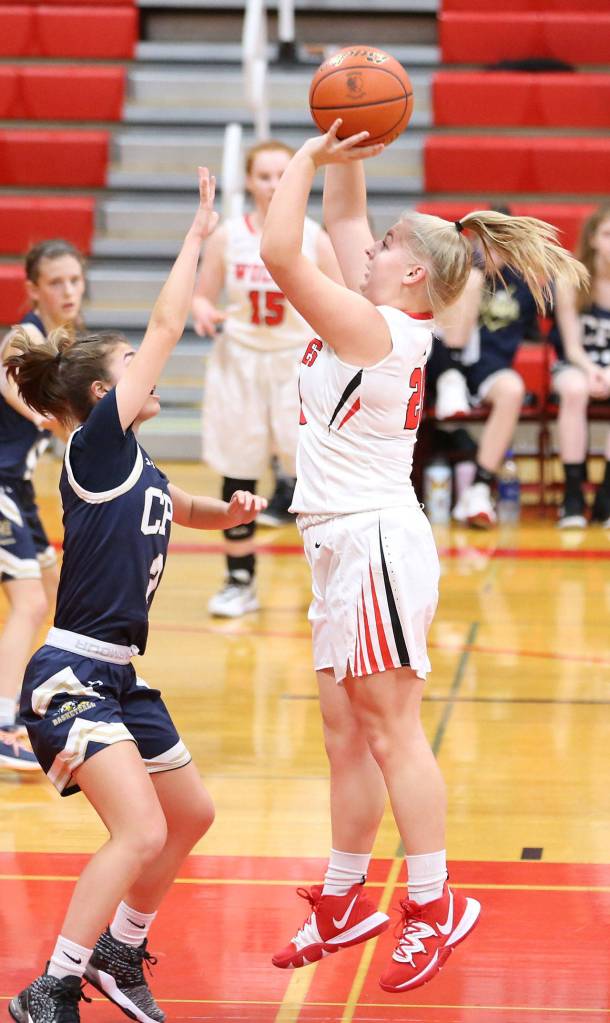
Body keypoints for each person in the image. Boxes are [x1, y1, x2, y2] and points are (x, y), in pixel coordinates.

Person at [259, 121, 587, 992]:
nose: (366, 246)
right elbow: (342, 217)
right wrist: (351, 144)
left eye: (386, 243)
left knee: (394, 734)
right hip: (337, 543)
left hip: (372, 541)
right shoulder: (383, 307)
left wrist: (302, 156)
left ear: (408, 270)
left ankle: (438, 903)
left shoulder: (373, 326)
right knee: (345, 738)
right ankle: (343, 898)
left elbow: (282, 250)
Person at [5, 169, 266, 1023]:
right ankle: (53, 984)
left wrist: (220, 511)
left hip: (120, 674)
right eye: (127, 371)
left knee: (191, 812)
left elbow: (174, 505)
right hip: (71, 671)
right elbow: (162, 323)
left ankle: (120, 947)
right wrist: (196, 236)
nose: (147, 372)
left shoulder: (134, 464)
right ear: (98, 396)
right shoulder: (99, 442)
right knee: (142, 831)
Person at [192, 139, 341, 617]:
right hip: (240, 362)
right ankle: (240, 581)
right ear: (249, 182)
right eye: (264, 176)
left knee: (314, 478)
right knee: (238, 470)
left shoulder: (315, 236)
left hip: (297, 365)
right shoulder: (228, 236)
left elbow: (342, 304)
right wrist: (203, 310)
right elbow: (202, 294)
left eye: (283, 174)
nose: (274, 184)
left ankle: (333, 580)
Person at [0, 239, 86, 771]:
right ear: (34, 289)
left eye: (75, 280)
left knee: (60, 597)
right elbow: (11, 375)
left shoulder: (63, 340)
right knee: (29, 603)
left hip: (20, 489)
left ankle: (56, 704)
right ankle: (4, 722)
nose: (69, 291)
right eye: (57, 282)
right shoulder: (24, 337)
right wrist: (43, 412)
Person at [446, 248, 542, 528]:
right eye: (485, 241)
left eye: (501, 243)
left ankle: (480, 487)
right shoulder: (457, 275)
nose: (491, 251)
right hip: (443, 364)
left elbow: (536, 335)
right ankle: (450, 377)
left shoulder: (524, 287)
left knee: (513, 389)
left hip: (490, 369)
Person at [551, 204, 610, 528]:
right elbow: (572, 347)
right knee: (574, 390)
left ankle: (606, 497)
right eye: (607, 234)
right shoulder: (571, 280)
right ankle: (572, 496)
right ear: (593, 240)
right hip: (577, 364)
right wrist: (592, 371)